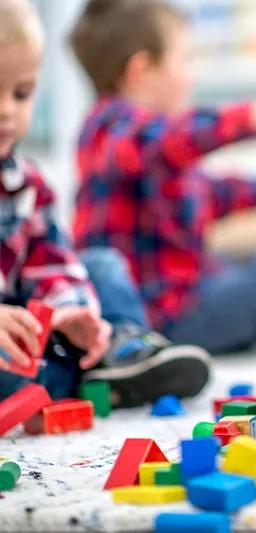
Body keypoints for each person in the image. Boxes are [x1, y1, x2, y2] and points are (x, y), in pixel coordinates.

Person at [0, 0, 210, 406]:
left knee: (102, 264)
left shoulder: (27, 183)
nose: (8, 110)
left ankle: (121, 350)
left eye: (22, 93)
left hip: (28, 324)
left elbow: (50, 257)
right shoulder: (116, 127)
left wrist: (69, 308)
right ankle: (72, 381)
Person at [69, 0, 256, 353]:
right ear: (142, 70)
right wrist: (254, 116)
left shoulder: (151, 146)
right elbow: (172, 139)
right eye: (185, 60)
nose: (192, 74)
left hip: (187, 292)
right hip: (159, 315)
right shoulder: (110, 130)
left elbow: (211, 192)